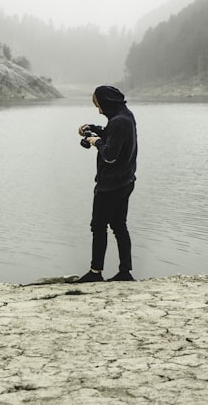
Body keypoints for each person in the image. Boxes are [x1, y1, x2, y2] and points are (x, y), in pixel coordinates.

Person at [76, 85, 138, 283]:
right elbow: (112, 135)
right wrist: (93, 129)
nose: (99, 110)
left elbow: (110, 155)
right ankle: (125, 272)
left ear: (107, 103)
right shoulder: (124, 116)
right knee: (119, 226)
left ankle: (95, 273)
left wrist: (95, 142)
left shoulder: (119, 122)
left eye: (99, 105)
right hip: (126, 180)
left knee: (98, 226)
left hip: (110, 184)